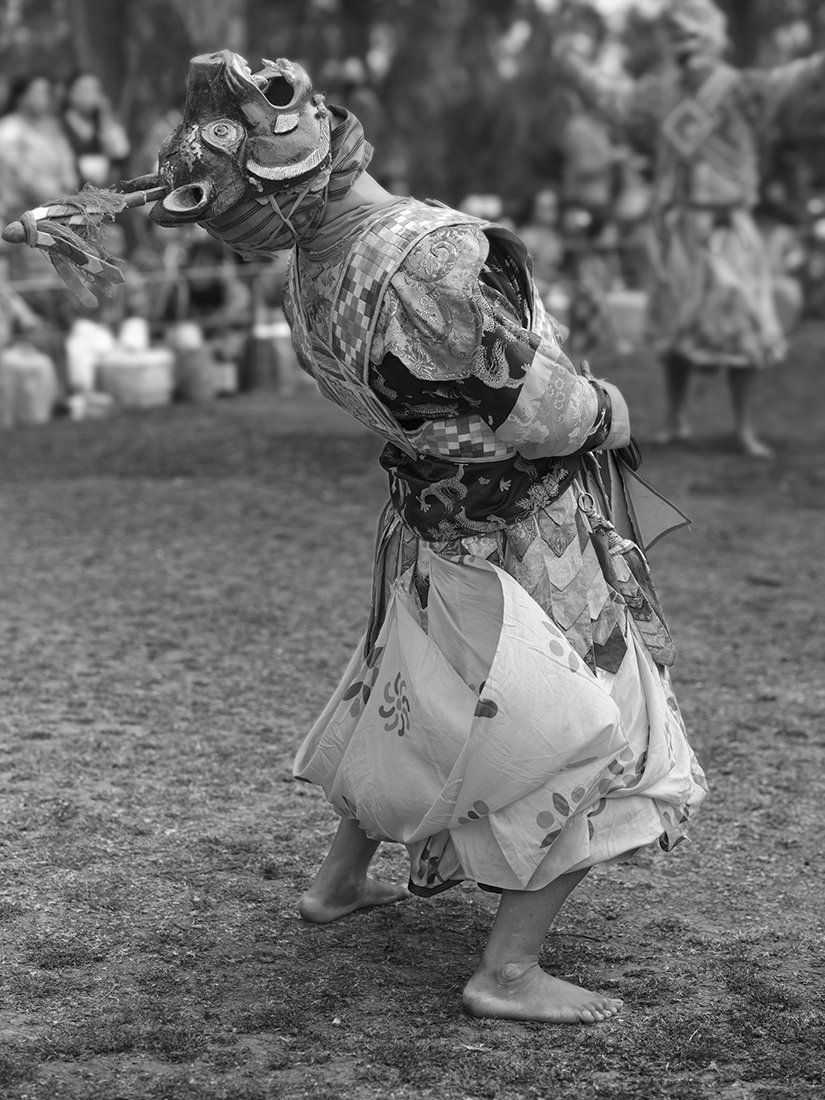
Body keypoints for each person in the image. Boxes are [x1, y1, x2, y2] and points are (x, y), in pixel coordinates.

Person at [41, 51, 709, 1024]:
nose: (305, 99)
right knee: (591, 725)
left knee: (410, 696)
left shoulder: (307, 281)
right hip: (519, 528)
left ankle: (337, 880)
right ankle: (510, 968)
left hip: (432, 523)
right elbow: (530, 408)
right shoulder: (430, 254)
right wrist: (608, 407)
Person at [556, 0, 825, 457]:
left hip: (727, 227)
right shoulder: (658, 94)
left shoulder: (742, 88)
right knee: (674, 329)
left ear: (716, 37)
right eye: (677, 33)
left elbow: (797, 78)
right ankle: (676, 420)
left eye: (694, 31)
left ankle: (743, 426)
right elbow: (611, 98)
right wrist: (573, 63)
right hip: (676, 230)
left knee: (743, 327)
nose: (685, 41)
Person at [60, 70, 130, 188]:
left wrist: (105, 116)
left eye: (95, 90)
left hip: (106, 191)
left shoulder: (104, 122)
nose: (90, 95)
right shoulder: (59, 124)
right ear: (69, 93)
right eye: (85, 90)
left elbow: (120, 153)